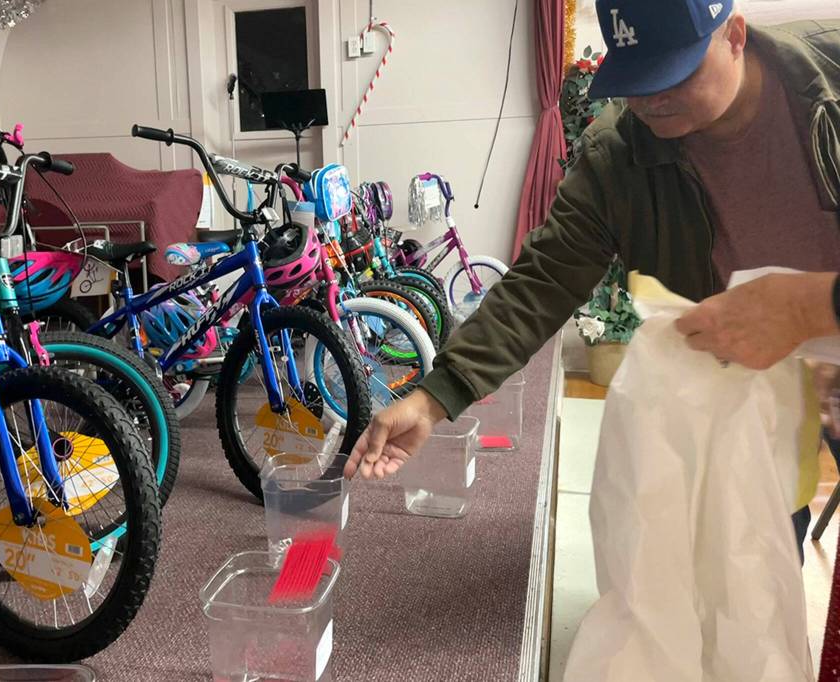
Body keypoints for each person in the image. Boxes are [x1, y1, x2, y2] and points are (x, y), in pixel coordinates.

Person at [344, 0, 840, 549]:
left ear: (735, 36)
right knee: (748, 554)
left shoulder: (827, 89)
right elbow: (545, 278)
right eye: (638, 78)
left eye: (675, 73)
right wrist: (435, 396)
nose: (652, 100)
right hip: (740, 390)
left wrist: (814, 309)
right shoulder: (621, 153)